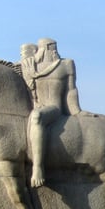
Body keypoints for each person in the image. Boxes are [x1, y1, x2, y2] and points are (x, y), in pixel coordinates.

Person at [25, 38, 82, 187]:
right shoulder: (31, 66)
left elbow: (71, 90)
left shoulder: (66, 64)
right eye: (51, 47)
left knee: (37, 117)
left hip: (54, 107)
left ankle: (37, 167)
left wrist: (76, 110)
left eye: (55, 47)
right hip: (35, 105)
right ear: (43, 49)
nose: (54, 50)